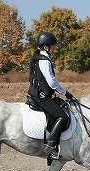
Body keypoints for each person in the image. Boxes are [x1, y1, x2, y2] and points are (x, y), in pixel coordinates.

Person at [27, 31, 74, 159]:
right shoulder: (44, 60)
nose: (54, 48)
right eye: (53, 46)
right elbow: (52, 82)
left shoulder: (39, 58)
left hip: (39, 94)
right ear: (46, 47)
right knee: (62, 116)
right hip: (40, 97)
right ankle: (51, 146)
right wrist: (66, 93)